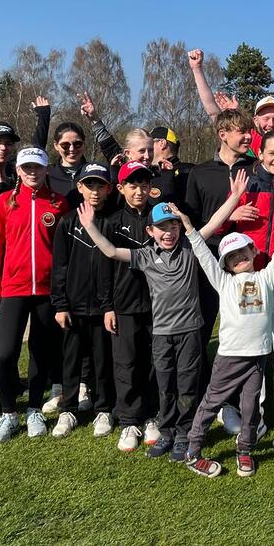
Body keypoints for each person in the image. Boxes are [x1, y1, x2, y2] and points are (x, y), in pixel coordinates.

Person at [80, 172, 248, 462]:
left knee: (187, 385)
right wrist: (90, 226)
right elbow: (110, 251)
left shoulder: (190, 248)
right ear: (150, 231)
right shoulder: (145, 256)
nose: (168, 232)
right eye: (161, 227)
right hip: (161, 334)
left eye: (173, 225)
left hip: (190, 332)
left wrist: (234, 197)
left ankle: (184, 433)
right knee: (165, 386)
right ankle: (167, 431)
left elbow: (212, 223)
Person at [180, 198, 274, 478]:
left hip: (257, 358)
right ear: (226, 265)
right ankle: (193, 451)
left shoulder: (267, 278)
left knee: (251, 407)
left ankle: (245, 449)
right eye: (232, 257)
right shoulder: (223, 281)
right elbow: (203, 255)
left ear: (253, 251)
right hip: (229, 357)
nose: (239, 258)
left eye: (243, 252)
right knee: (211, 403)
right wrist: (189, 228)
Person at [0, 99, 55, 417]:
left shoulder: (52, 200)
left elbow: (36, 151)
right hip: (2, 275)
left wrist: (43, 116)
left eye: (8, 143)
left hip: (41, 283)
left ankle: (32, 402)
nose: (3, 147)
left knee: (39, 348)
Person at [224, 130, 274, 447]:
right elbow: (220, 226)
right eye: (271, 153)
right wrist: (233, 213)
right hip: (250, 282)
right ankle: (252, 418)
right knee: (252, 351)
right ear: (260, 154)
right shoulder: (246, 183)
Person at [0, 148, 69, 442]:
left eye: (38, 167)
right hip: (13, 289)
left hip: (47, 291)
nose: (32, 172)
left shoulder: (58, 203)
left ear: (46, 170)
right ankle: (9, 413)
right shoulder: (4, 202)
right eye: (27, 167)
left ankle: (34, 409)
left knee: (40, 352)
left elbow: (65, 251)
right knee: (5, 353)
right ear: (18, 171)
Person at [184, 109, 257, 385]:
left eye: (250, 131)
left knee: (244, 329)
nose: (249, 137)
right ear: (223, 134)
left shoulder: (255, 169)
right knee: (202, 327)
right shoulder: (200, 172)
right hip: (209, 263)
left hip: (245, 264)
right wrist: (229, 216)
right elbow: (193, 224)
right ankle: (203, 389)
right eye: (242, 131)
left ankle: (242, 392)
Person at [50, 163, 118, 439]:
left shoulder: (113, 221)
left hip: (104, 308)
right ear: (79, 187)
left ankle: (103, 408)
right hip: (73, 306)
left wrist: (110, 305)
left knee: (103, 360)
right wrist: (60, 304)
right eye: (89, 185)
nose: (95, 191)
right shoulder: (68, 222)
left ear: (109, 189)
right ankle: (68, 409)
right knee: (71, 360)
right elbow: (60, 266)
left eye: (100, 185)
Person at [104, 161, 163, 451]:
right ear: (121, 188)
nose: (139, 191)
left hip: (157, 303)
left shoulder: (160, 218)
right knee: (126, 363)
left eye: (144, 184)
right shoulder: (112, 222)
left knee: (153, 361)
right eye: (132, 185)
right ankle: (129, 420)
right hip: (124, 304)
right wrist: (107, 306)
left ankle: (151, 415)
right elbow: (103, 269)